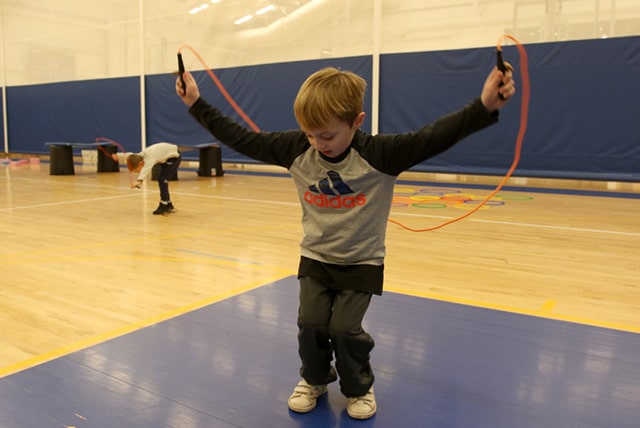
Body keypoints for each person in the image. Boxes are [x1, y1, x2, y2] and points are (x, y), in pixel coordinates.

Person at [176, 64, 515, 419]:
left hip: (361, 262)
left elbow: (434, 136)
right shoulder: (295, 149)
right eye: (309, 135)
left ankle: (359, 388)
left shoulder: (382, 154)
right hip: (316, 258)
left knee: (344, 330)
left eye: (326, 136)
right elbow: (239, 137)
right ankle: (315, 379)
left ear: (356, 121)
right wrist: (196, 103)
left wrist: (485, 106)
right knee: (310, 324)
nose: (317, 144)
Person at [114, 142, 182, 215]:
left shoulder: (149, 159)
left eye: (137, 170)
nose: (137, 172)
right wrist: (117, 155)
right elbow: (130, 154)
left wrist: (139, 181)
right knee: (162, 179)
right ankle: (168, 205)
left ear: (140, 164)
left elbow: (146, 169)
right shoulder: (140, 156)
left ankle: (164, 204)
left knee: (163, 180)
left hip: (174, 157)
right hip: (166, 156)